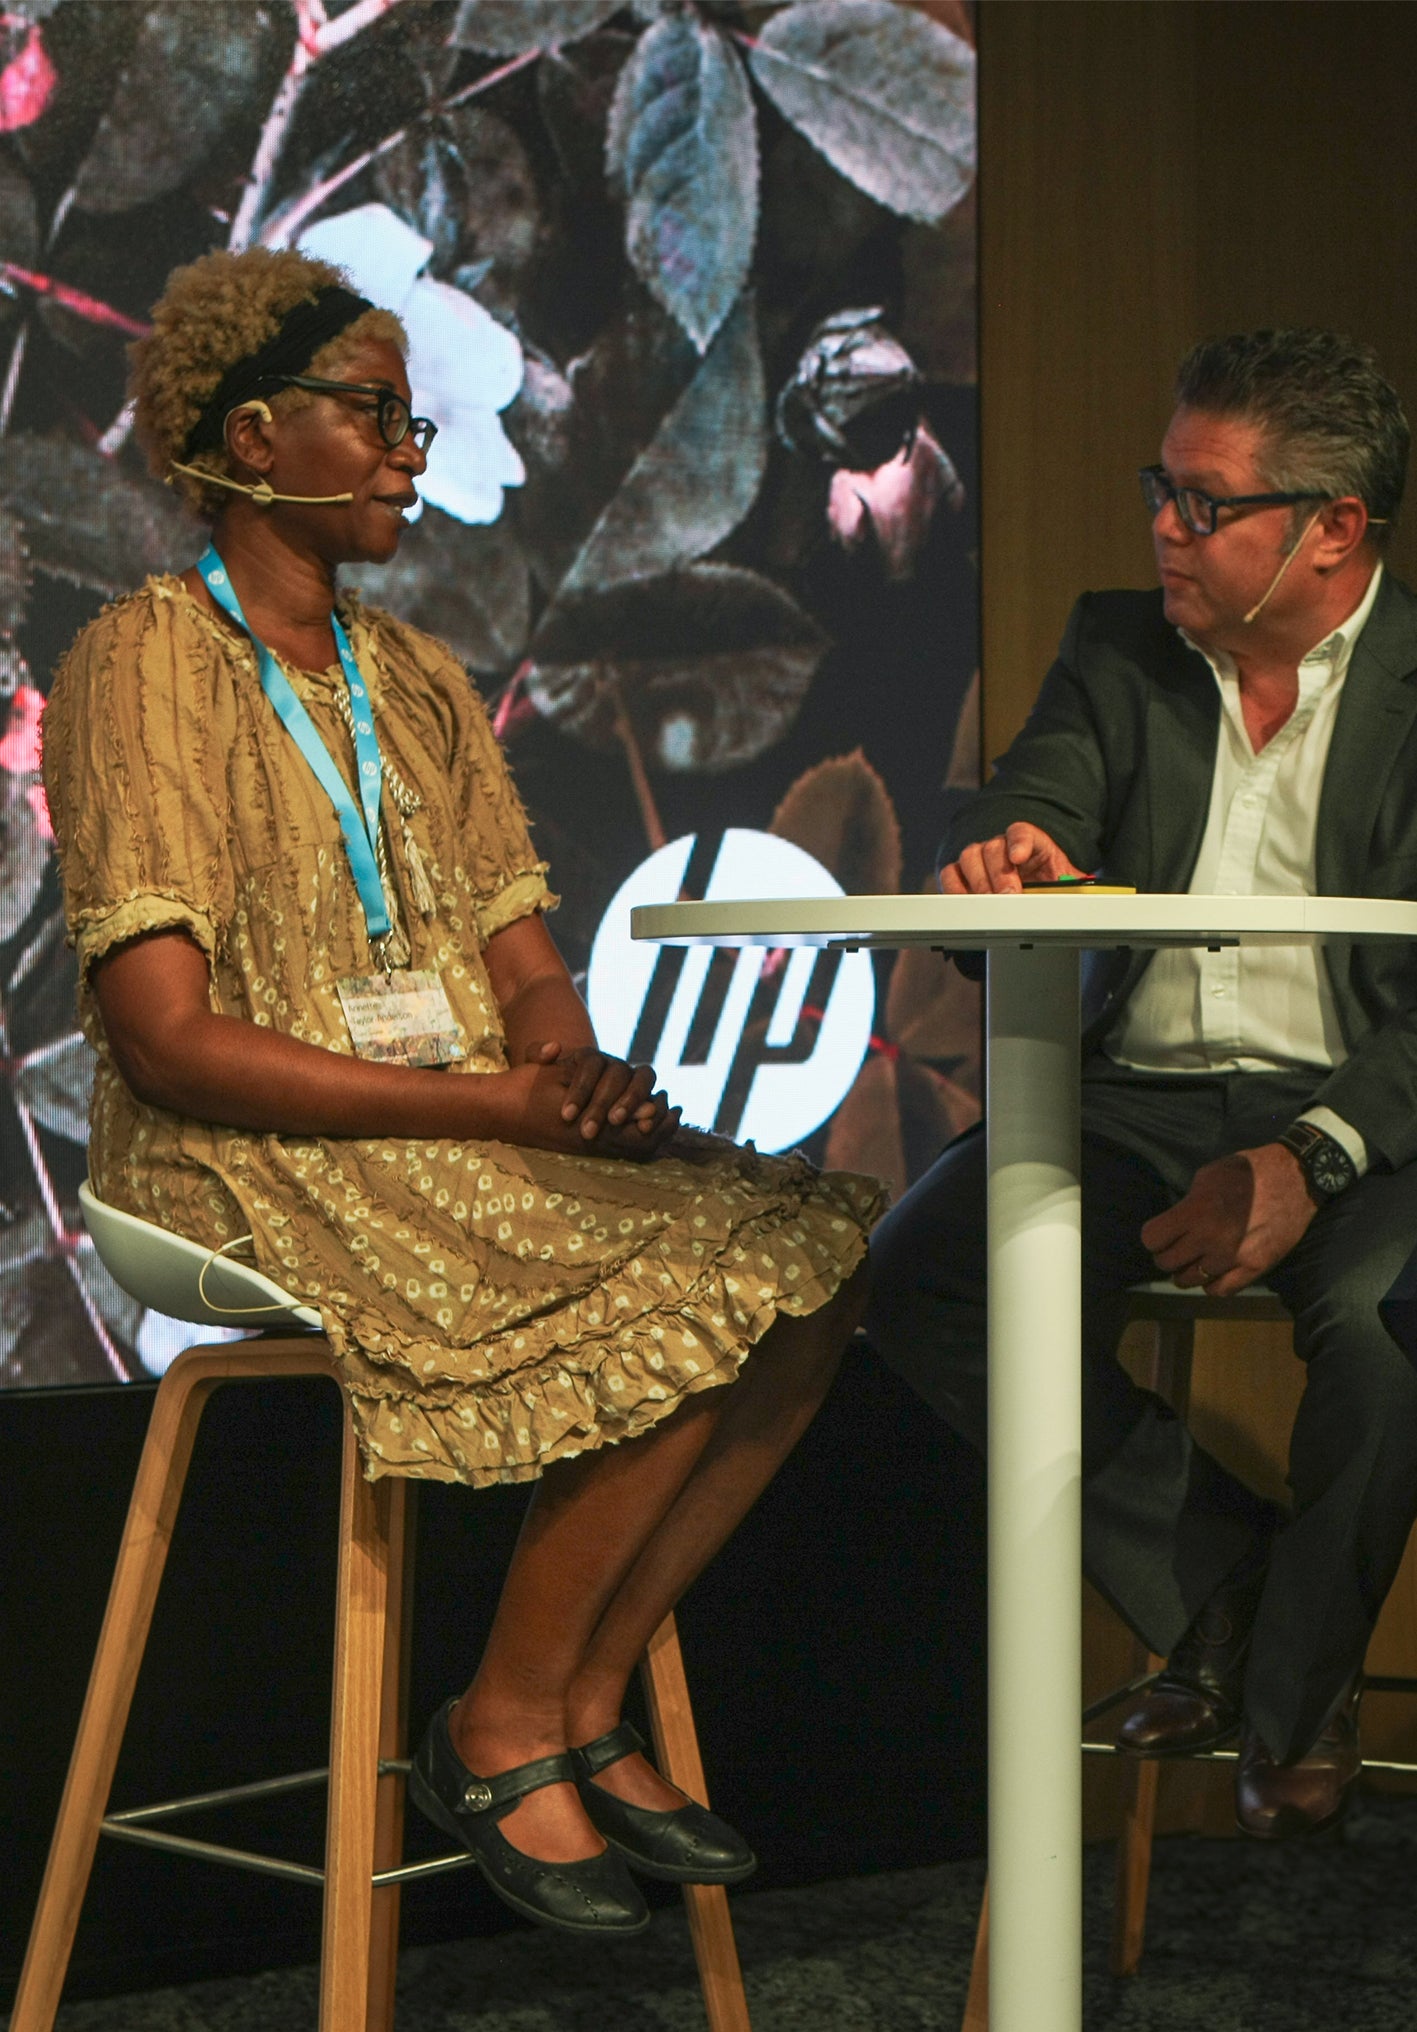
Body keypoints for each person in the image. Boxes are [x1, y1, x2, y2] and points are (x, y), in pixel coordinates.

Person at [41, 246, 883, 1938]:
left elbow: (516, 965)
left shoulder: (414, 676)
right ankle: (496, 1724)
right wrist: (501, 1113)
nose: (412, 447)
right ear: (252, 434)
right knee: (698, 1274)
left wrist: (570, 1075)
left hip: (449, 1122)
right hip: (234, 1153)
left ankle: (577, 1702)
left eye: (415, 416)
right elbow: (165, 1043)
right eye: (374, 414)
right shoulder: (141, 669)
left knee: (805, 1256)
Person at [868, 328, 1417, 1839]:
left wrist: (1308, 1155)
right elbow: (1033, 793)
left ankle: (1297, 1690)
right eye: (1154, 492)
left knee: (1387, 1325)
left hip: (1367, 1112)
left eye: (1201, 502)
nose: (1160, 530)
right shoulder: (1120, 644)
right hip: (1137, 1103)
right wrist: (1009, 854)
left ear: (1331, 529)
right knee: (925, 1280)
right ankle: (1229, 1594)